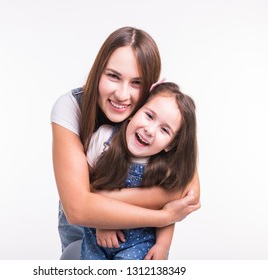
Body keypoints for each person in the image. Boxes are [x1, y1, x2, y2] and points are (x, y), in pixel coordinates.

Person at [51, 26, 201, 259]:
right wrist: (165, 215)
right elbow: (78, 208)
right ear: (98, 71)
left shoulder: (158, 113)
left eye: (136, 82)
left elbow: (186, 192)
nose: (122, 94)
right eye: (113, 76)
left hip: (140, 240)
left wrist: (98, 205)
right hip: (84, 230)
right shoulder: (71, 108)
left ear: (151, 86)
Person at [81, 81, 198, 260]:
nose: (150, 131)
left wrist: (162, 246)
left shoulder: (164, 168)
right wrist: (101, 221)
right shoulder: (104, 140)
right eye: (149, 116)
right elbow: (83, 187)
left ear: (171, 145)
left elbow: (168, 213)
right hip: (97, 239)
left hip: (139, 244)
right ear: (134, 112)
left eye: (164, 130)